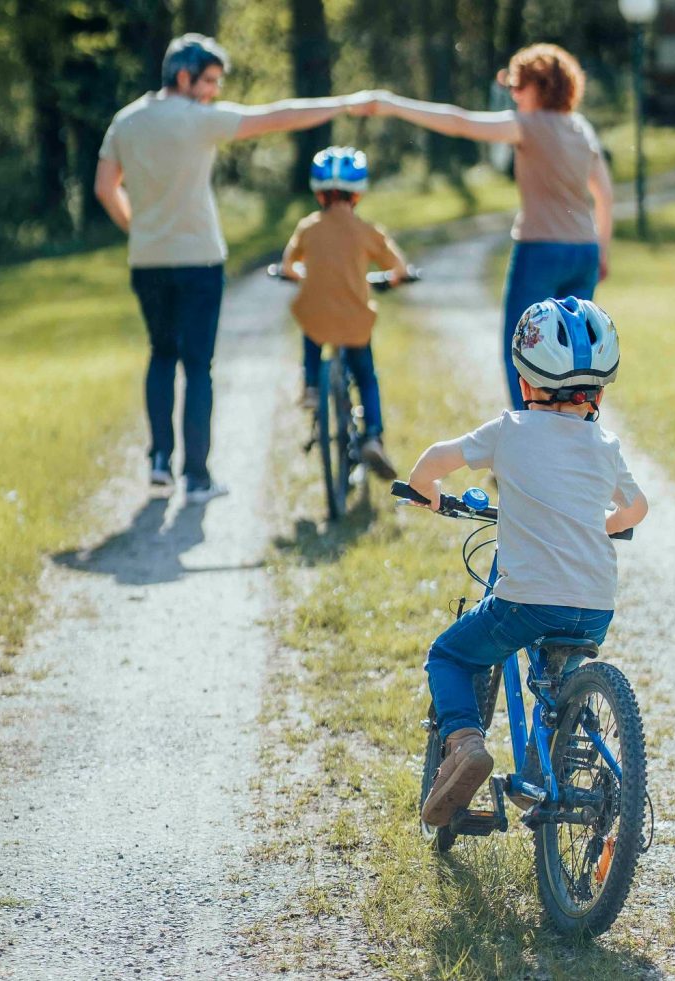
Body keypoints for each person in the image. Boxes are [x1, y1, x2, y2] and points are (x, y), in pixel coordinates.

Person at [95, 34, 371, 503]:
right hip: (199, 260)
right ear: (183, 77)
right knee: (198, 366)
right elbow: (276, 116)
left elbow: (106, 187)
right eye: (209, 82)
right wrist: (342, 104)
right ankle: (197, 477)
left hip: (147, 260)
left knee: (161, 355)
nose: (214, 92)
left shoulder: (126, 121)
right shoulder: (198, 120)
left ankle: (159, 461)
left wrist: (138, 229)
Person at [405, 296, 648, 827]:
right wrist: (591, 525)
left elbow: (436, 459)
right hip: (595, 607)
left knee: (449, 655)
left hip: (527, 603)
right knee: (556, 684)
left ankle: (466, 743)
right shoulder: (605, 445)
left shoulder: (510, 430)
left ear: (524, 383)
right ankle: (552, 764)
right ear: (599, 394)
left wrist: (428, 491)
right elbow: (636, 509)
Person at [351, 44, 614, 410]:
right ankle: (572, 436)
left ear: (540, 88)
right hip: (584, 251)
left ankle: (527, 444)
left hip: (540, 251)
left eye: (519, 87)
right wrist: (604, 249)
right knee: (577, 352)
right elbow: (604, 193)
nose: (514, 95)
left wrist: (393, 104)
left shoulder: (527, 124)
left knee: (522, 348)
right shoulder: (581, 128)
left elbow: (459, 122)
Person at [280, 145, 408, 481]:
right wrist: (394, 279)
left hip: (317, 317)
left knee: (312, 326)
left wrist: (302, 275)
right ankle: (374, 436)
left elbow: (288, 266)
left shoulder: (307, 227)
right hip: (354, 321)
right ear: (358, 195)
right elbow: (397, 266)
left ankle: (310, 384)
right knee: (366, 376)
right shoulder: (368, 231)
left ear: (319, 194)